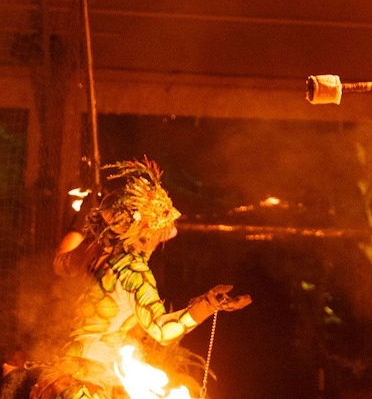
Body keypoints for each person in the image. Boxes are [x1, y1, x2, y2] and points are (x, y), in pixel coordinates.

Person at [29, 158, 251, 399]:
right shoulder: (133, 272)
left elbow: (60, 263)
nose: (161, 240)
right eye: (158, 233)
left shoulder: (97, 250)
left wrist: (83, 216)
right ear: (143, 233)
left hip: (67, 364)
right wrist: (208, 305)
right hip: (89, 380)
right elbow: (162, 331)